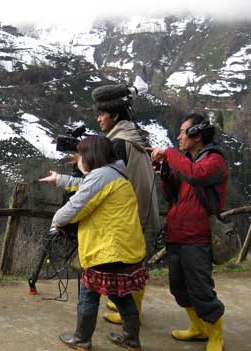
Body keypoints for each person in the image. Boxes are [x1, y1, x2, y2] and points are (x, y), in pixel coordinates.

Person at [40, 135, 147, 351]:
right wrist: (60, 179)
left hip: (107, 249)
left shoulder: (100, 176)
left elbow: (75, 206)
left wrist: (56, 222)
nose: (79, 159)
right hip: (126, 248)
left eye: (81, 154)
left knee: (88, 294)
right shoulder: (115, 173)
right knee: (122, 296)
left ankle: (82, 340)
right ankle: (132, 340)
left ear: (91, 155)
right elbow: (84, 184)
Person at [149, 113, 226, 351]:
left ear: (196, 135)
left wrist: (170, 154)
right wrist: (164, 173)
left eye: (183, 132)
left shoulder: (214, 161)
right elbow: (174, 195)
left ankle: (216, 338)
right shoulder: (187, 162)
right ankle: (199, 328)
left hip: (197, 237)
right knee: (179, 288)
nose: (180, 137)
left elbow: (196, 176)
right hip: (177, 235)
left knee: (201, 290)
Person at [91, 84, 160, 325]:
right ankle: (129, 310)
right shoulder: (133, 137)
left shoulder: (119, 143)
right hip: (144, 210)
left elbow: (106, 182)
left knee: (130, 267)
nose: (99, 119)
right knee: (135, 265)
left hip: (133, 216)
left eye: (102, 114)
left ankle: (132, 317)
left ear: (116, 116)